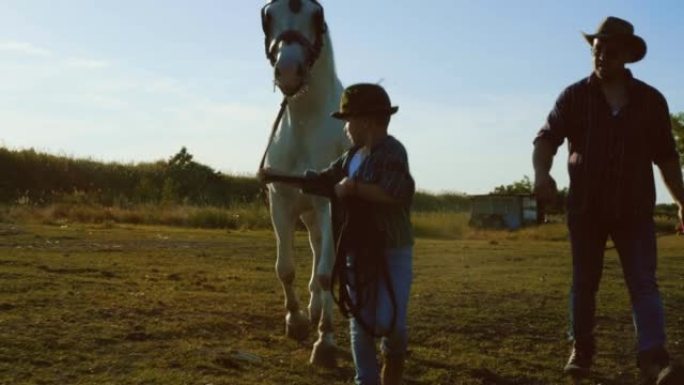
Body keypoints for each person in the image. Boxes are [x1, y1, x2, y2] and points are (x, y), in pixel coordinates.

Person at [532, 16, 684, 385]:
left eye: (610, 52)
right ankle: (581, 351)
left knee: (643, 283)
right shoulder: (574, 96)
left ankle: (653, 359)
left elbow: (666, 157)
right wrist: (541, 173)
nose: (601, 58)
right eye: (597, 50)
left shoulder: (650, 101)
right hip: (585, 209)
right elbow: (546, 139)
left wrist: (682, 201)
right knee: (584, 283)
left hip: (634, 209)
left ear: (627, 56)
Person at [260, 83, 415, 385]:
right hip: (357, 249)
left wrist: (355, 189)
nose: (345, 128)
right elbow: (323, 180)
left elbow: (398, 192)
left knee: (388, 320)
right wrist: (277, 176)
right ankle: (366, 379)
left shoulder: (393, 151)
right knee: (359, 320)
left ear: (367, 121)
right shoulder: (351, 157)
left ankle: (393, 355)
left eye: (348, 120)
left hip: (391, 250)